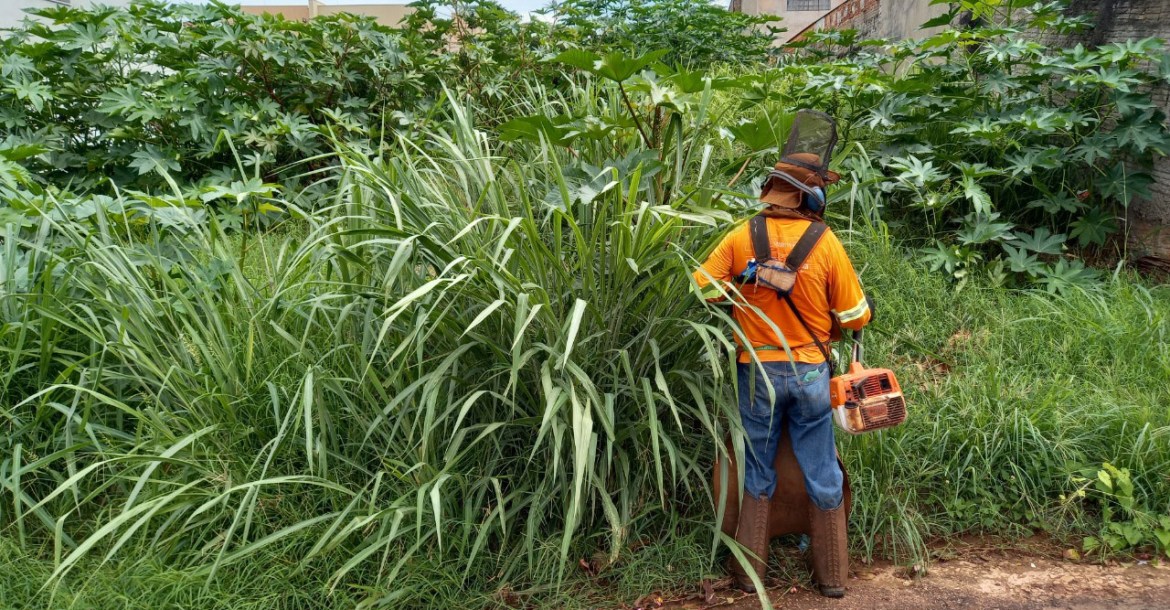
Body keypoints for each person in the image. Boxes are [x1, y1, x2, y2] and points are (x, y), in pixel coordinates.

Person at [692, 112, 871, 599]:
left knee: (758, 464)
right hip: (812, 373)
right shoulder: (827, 242)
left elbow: (702, 289)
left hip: (756, 371)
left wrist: (747, 280)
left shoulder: (739, 236)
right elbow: (856, 315)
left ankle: (749, 574)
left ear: (772, 190)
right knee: (821, 466)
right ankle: (832, 575)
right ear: (813, 197)